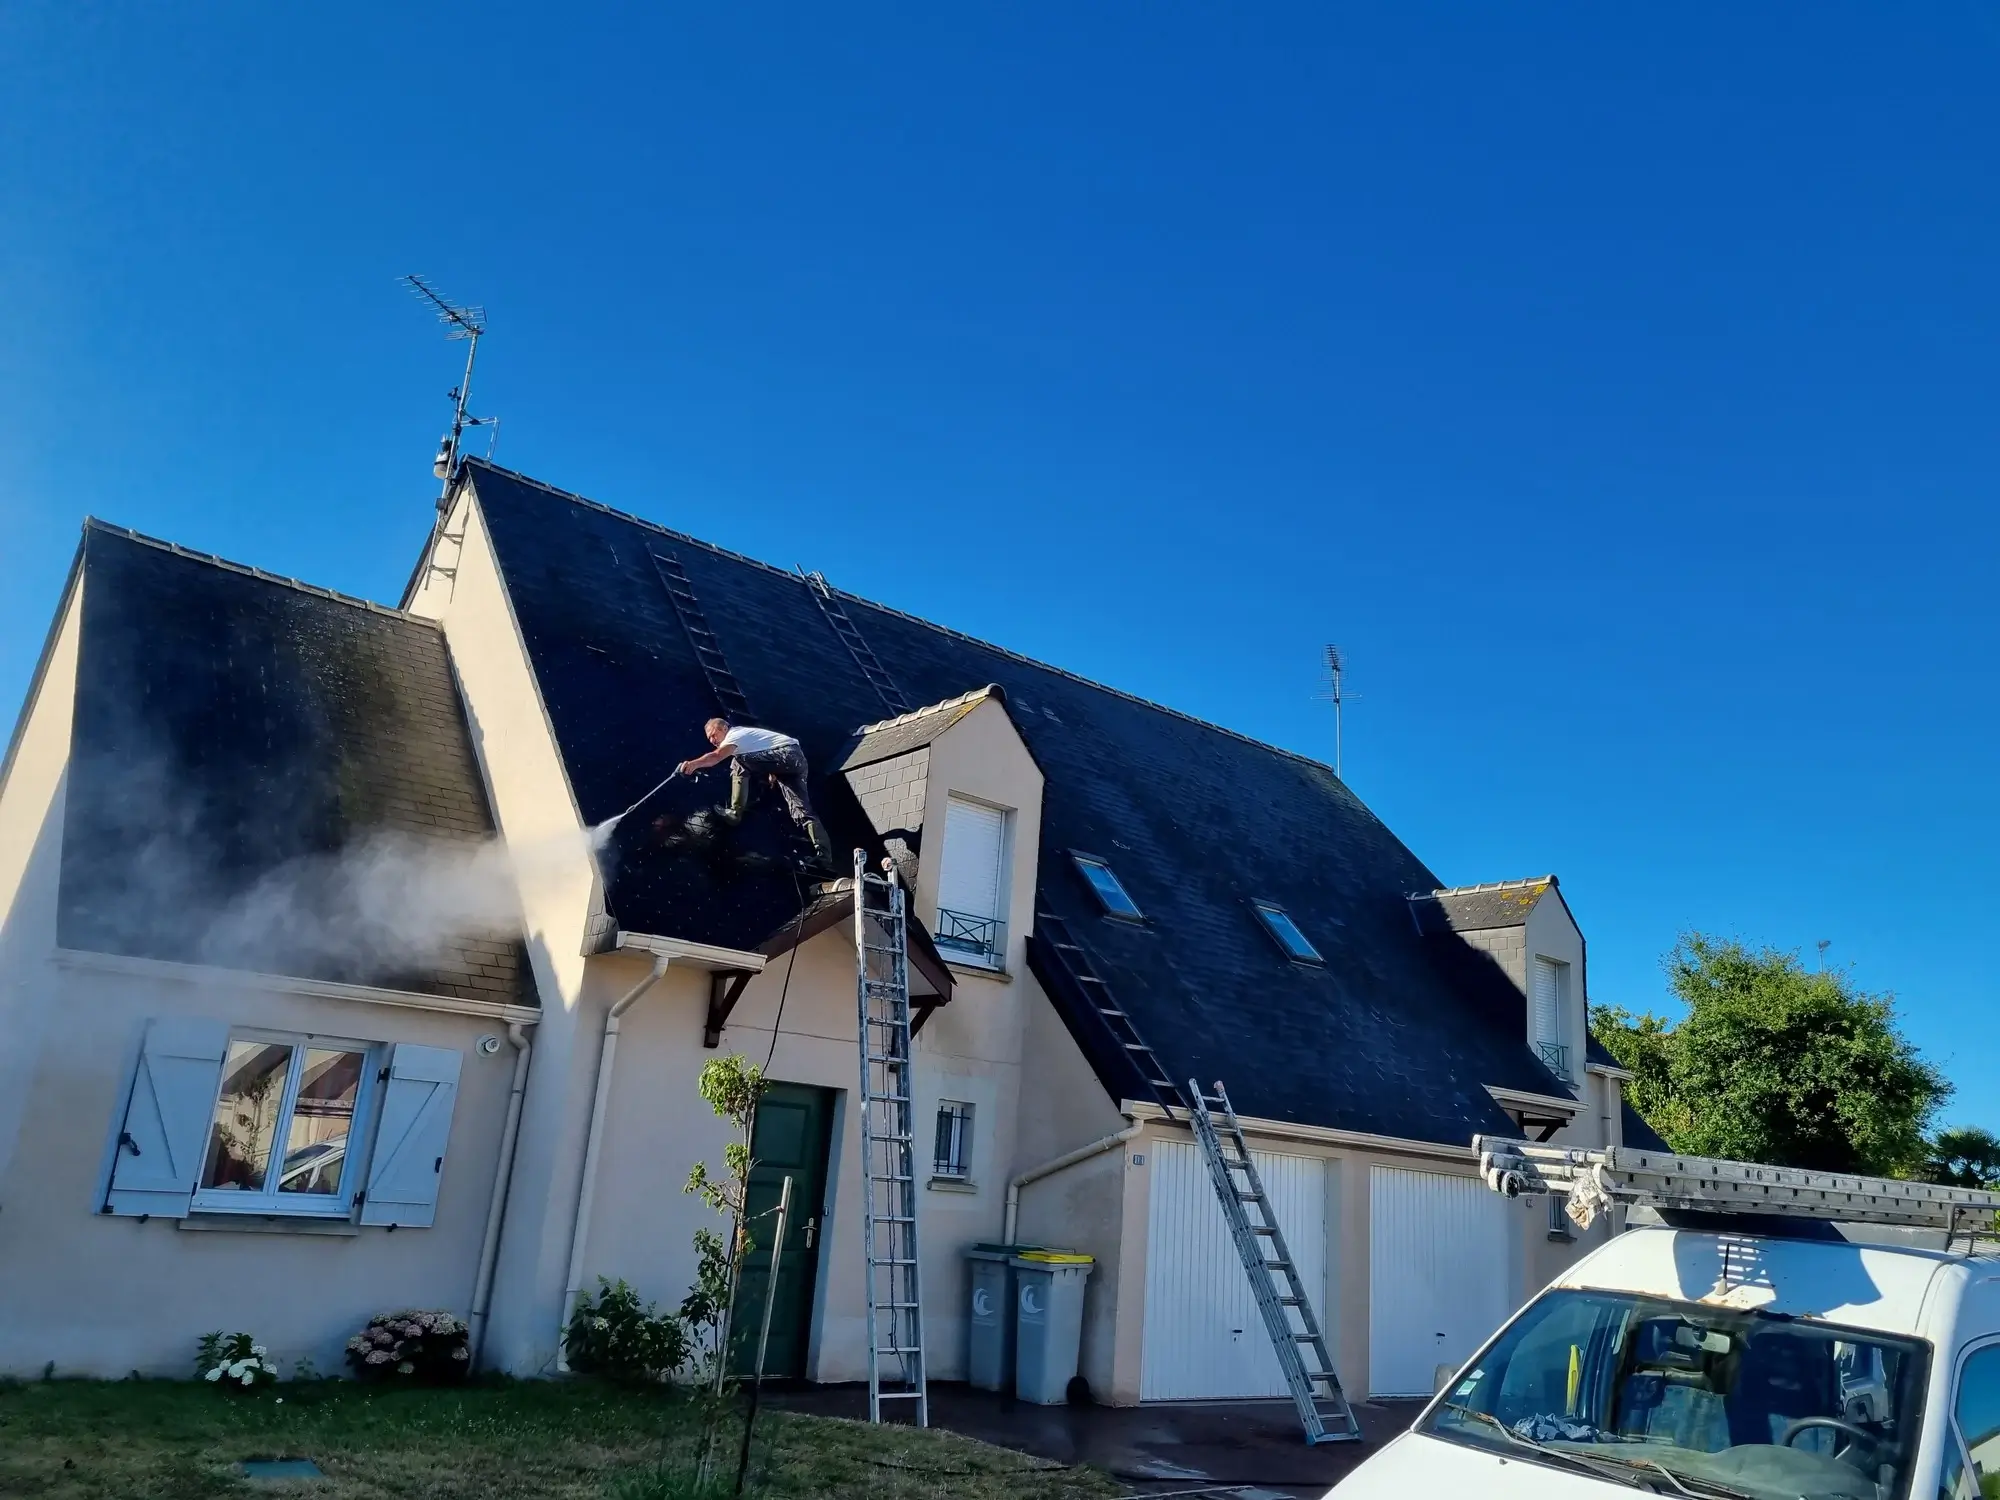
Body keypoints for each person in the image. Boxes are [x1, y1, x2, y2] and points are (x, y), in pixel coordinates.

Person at [677, 718, 834, 868]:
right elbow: (768, 749)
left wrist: (693, 764)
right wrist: (773, 771)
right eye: (709, 738)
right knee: (802, 811)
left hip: (787, 755)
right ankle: (823, 858)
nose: (712, 740)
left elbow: (716, 756)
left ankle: (735, 812)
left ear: (724, 728)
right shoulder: (746, 737)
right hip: (795, 760)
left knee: (737, 761)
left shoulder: (734, 735)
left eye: (713, 734)